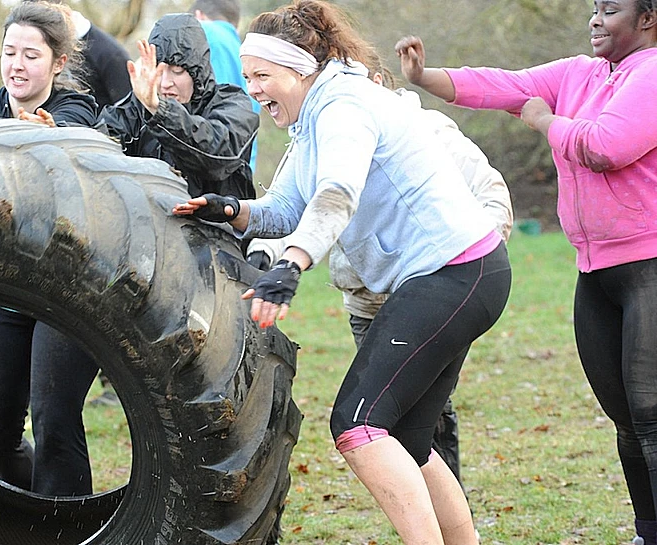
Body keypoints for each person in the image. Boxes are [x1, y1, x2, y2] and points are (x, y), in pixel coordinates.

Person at [173, 1, 512, 542]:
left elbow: (337, 194)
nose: (253, 87)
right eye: (248, 74)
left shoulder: (344, 106)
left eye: (263, 75)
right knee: (408, 439)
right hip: (461, 275)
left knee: (357, 423)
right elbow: (287, 206)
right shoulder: (313, 116)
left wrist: (291, 265)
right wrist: (230, 209)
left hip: (456, 273)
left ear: (300, 68)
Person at [395, 1, 657, 541]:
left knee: (652, 416)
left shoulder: (652, 75)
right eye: (594, 9)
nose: (595, 20)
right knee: (628, 421)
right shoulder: (579, 74)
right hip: (596, 272)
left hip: (649, 267)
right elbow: (502, 85)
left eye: (610, 10)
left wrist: (543, 121)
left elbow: (608, 146)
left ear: (648, 18)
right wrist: (426, 77)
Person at [245, 52, 514, 487]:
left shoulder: (424, 130)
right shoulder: (319, 137)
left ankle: (450, 515)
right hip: (369, 302)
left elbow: (489, 193)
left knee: (423, 419)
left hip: (437, 292)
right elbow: (296, 206)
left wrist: (455, 276)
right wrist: (263, 254)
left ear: (376, 81)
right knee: (389, 425)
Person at [0, 0, 100, 497]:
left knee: (54, 423)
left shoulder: (75, 110)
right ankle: (31, 516)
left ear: (57, 63)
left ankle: (71, 526)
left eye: (31, 55)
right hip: (4, 286)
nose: (17, 65)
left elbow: (52, 144)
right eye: (10, 52)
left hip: (68, 288)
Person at [96, 12, 258, 201]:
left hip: (216, 225)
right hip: (149, 223)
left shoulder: (233, 103)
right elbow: (99, 140)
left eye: (177, 71)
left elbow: (216, 156)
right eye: (159, 70)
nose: (165, 83)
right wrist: (60, 131)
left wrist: (160, 111)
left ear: (198, 70)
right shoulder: (139, 106)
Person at [190, 0, 260, 171]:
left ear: (198, 16)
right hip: (242, 163)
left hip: (208, 156)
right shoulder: (243, 50)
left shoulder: (203, 32)